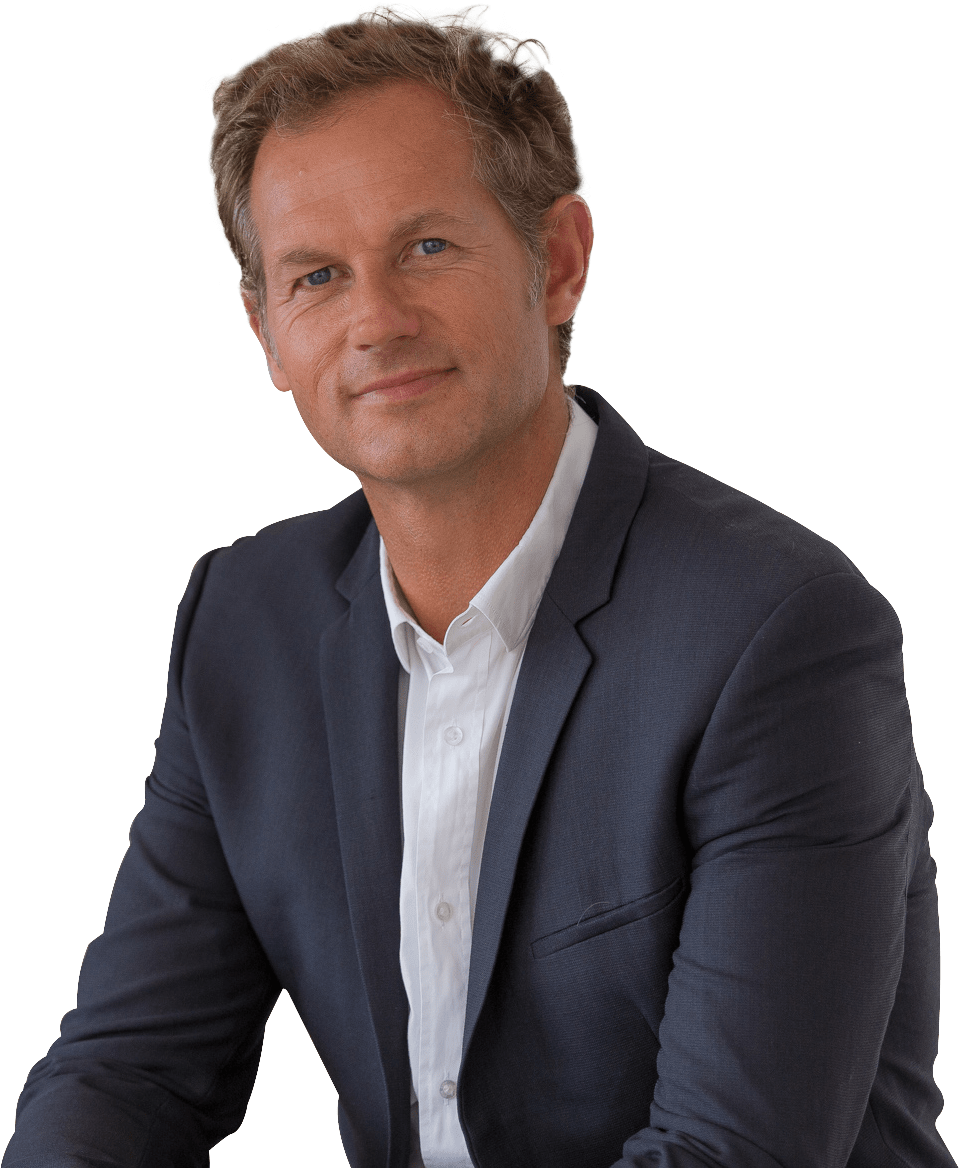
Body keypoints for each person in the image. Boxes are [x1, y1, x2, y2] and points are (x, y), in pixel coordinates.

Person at [3, 6, 951, 1167]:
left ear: (559, 261)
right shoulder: (243, 620)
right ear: (265, 333)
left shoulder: (775, 630)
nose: (374, 321)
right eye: (316, 275)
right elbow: (130, 1068)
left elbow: (729, 1153)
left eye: (426, 248)